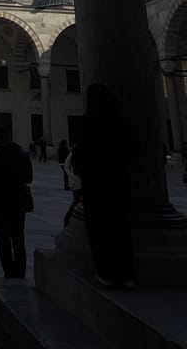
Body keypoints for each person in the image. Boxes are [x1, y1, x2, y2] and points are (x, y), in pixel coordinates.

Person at [72, 83, 135, 289]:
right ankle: (127, 274)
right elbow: (131, 149)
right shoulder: (121, 122)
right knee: (121, 226)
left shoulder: (87, 123)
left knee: (99, 227)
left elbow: (79, 156)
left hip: (96, 185)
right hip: (118, 183)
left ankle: (106, 271)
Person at [0, 127, 33, 279]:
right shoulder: (23, 154)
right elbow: (29, 179)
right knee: (18, 239)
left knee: (3, 239)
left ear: (1, 139)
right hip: (19, 202)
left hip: (1, 202)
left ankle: (8, 270)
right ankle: (20, 271)